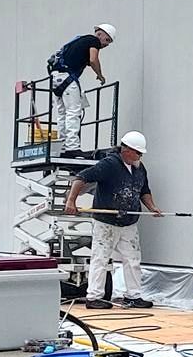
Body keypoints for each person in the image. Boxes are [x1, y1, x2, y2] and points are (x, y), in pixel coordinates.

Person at [64, 130, 161, 309]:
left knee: (132, 259)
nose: (140, 156)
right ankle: (93, 297)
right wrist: (71, 200)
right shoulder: (109, 164)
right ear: (126, 150)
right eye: (138, 152)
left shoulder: (139, 168)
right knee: (101, 258)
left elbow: (144, 190)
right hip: (105, 221)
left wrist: (152, 207)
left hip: (129, 221)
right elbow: (81, 178)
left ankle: (133, 296)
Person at [46, 23, 117, 158]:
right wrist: (100, 75)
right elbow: (93, 59)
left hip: (56, 79)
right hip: (68, 79)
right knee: (73, 111)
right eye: (107, 40)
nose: (106, 44)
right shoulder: (93, 40)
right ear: (99, 33)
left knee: (62, 113)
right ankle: (72, 147)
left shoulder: (78, 41)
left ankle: (62, 146)